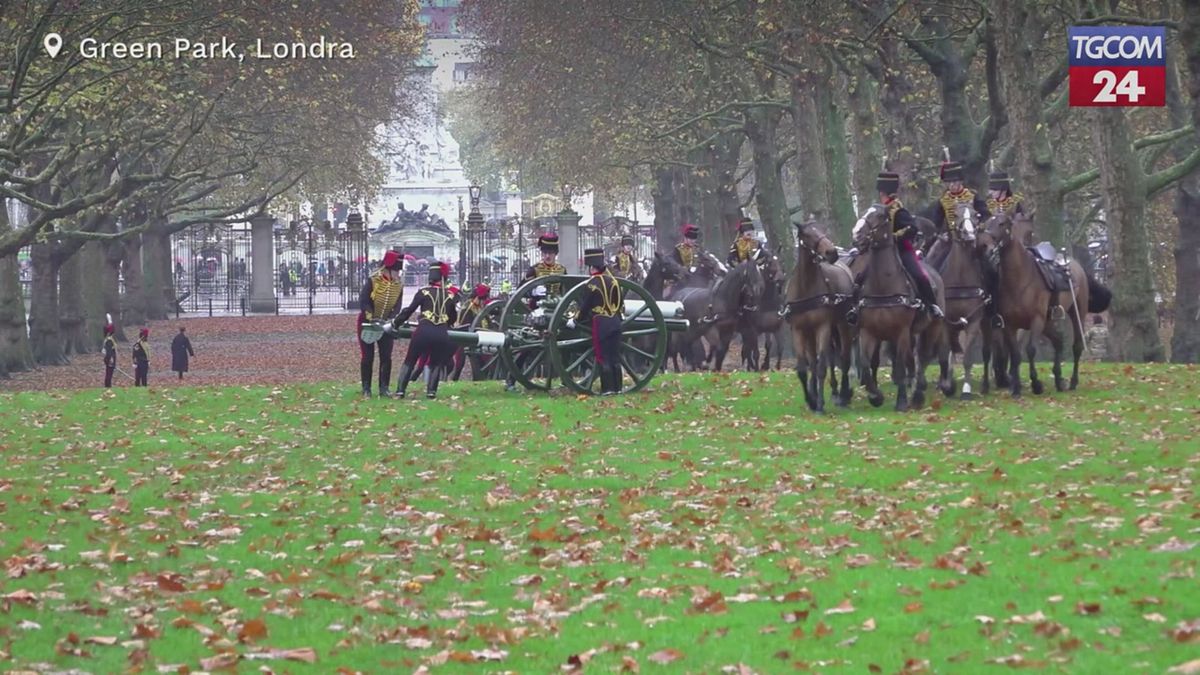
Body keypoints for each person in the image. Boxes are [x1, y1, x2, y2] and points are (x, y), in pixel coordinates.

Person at [849, 172, 943, 322]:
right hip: (878, 253)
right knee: (860, 277)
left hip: (901, 250)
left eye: (884, 193)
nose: (883, 196)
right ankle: (855, 308)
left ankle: (931, 305)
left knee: (919, 275)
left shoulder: (899, 210)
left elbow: (912, 229)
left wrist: (895, 237)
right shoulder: (875, 211)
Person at [394, 261, 458, 399]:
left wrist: (396, 323)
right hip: (441, 333)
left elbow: (408, 311)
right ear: (444, 278)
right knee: (436, 363)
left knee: (410, 361)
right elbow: (452, 318)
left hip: (423, 331)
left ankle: (400, 391)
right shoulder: (450, 296)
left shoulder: (423, 292)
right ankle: (431, 392)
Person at [574, 248, 625, 395]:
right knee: (615, 356)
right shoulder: (614, 281)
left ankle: (607, 389)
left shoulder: (591, 283)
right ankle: (618, 388)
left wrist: (576, 319)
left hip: (600, 322)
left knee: (603, 357)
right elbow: (620, 304)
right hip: (615, 321)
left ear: (591, 268)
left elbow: (585, 306)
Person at [356, 249, 404, 398]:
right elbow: (364, 300)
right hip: (368, 321)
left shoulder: (398, 285)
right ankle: (366, 389)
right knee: (368, 356)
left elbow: (397, 306)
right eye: (396, 270)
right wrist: (371, 317)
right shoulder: (373, 280)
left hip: (386, 324)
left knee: (386, 356)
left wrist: (391, 319)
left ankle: (384, 388)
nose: (398, 274)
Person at [102, 315, 117, 388]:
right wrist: (111, 360)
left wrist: (110, 320)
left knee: (109, 373)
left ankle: (108, 385)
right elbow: (109, 352)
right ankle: (107, 386)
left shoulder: (109, 339)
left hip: (110, 359)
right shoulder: (109, 341)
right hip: (110, 360)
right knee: (108, 374)